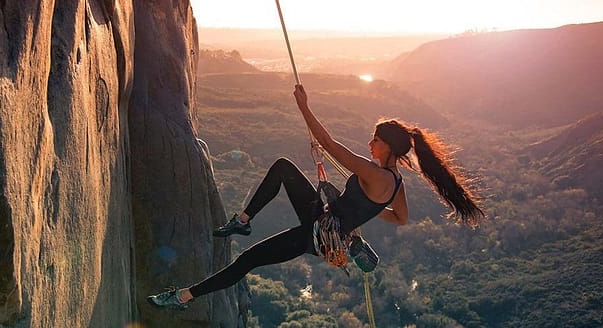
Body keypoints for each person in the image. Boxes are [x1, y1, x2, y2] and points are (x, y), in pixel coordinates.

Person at [147, 85, 485, 310]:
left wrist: (303, 106)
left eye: (375, 140)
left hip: (317, 233)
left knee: (246, 261)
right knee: (283, 167)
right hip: (324, 218)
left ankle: (183, 296)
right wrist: (363, 216)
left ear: (389, 146)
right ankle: (244, 221)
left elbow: (327, 141)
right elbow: (402, 218)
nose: (370, 145)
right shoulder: (395, 184)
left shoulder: (375, 173)